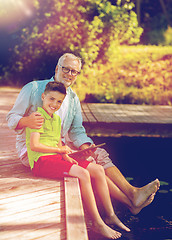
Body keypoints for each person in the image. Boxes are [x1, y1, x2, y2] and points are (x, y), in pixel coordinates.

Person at [7, 53, 160, 216]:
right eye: (66, 69)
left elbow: (76, 130)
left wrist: (85, 146)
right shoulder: (34, 88)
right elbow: (11, 118)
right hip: (34, 151)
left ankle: (132, 195)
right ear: (57, 68)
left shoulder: (73, 98)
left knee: (97, 153)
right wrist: (27, 121)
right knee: (91, 163)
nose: (70, 74)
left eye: (74, 71)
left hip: (59, 148)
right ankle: (130, 201)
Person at [26, 81, 130, 239]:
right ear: (43, 97)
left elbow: (57, 141)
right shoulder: (38, 117)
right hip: (41, 162)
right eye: (51, 99)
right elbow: (34, 145)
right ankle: (97, 223)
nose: (54, 104)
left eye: (59, 101)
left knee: (98, 169)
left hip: (55, 157)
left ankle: (110, 215)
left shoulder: (56, 119)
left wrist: (65, 155)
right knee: (83, 173)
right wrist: (59, 150)